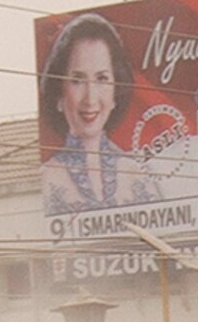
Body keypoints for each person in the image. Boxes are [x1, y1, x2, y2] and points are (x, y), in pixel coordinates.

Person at [38, 13, 149, 214]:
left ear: (116, 89)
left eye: (102, 78)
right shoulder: (48, 178)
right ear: (59, 94)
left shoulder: (135, 174)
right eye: (78, 80)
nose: (90, 98)